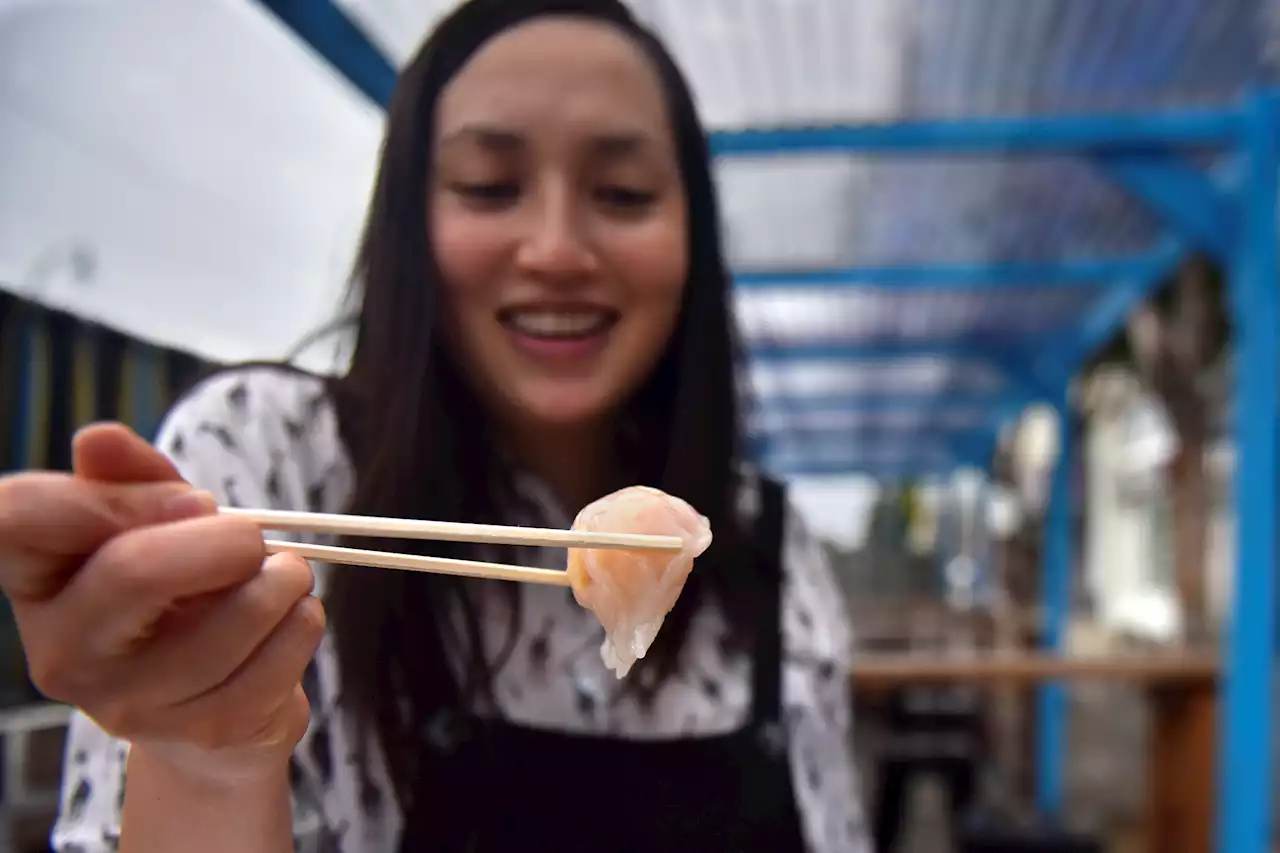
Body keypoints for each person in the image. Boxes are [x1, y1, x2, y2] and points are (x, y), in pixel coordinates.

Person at [0, 1, 870, 850]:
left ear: (694, 237)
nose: (558, 250)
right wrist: (199, 751)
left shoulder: (765, 550)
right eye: (490, 187)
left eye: (623, 192)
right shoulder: (271, 466)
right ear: (409, 220)